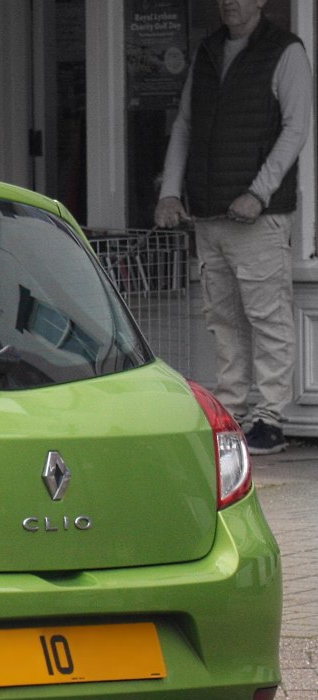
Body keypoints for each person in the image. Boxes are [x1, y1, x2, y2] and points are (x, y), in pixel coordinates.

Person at [154, 0, 311, 455]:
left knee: (267, 317)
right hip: (207, 213)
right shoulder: (207, 51)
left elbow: (296, 129)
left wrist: (259, 192)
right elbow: (185, 125)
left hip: (256, 216)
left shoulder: (286, 51)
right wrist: (170, 191)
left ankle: (271, 419)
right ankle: (233, 413)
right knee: (223, 319)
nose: (230, 3)